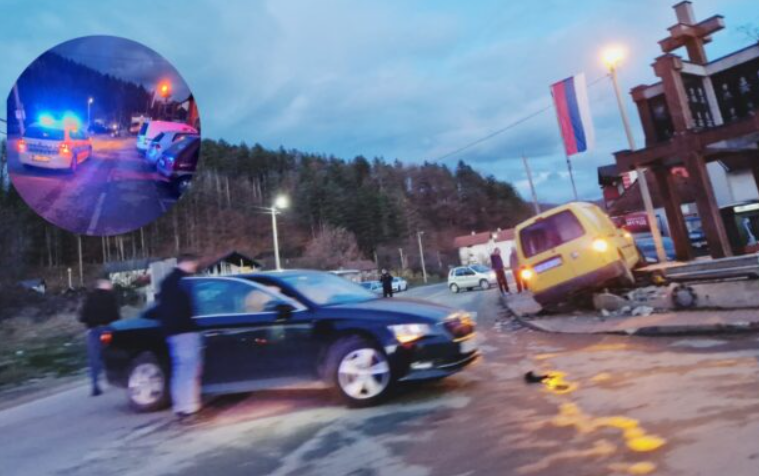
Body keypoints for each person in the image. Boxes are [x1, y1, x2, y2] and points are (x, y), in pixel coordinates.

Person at [156, 253, 202, 420]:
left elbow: (161, 308)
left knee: (180, 370)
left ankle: (181, 406)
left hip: (172, 331)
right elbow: (188, 307)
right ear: (188, 263)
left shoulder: (166, 282)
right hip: (185, 330)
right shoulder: (184, 282)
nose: (195, 268)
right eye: (194, 265)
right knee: (188, 370)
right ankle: (188, 409)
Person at [79, 278, 120, 396]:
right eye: (109, 284)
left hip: (93, 331)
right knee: (108, 352)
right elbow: (115, 315)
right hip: (106, 331)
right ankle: (113, 378)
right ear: (104, 285)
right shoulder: (110, 297)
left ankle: (95, 384)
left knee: (94, 358)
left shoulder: (89, 297)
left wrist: (89, 324)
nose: (111, 286)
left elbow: (82, 316)